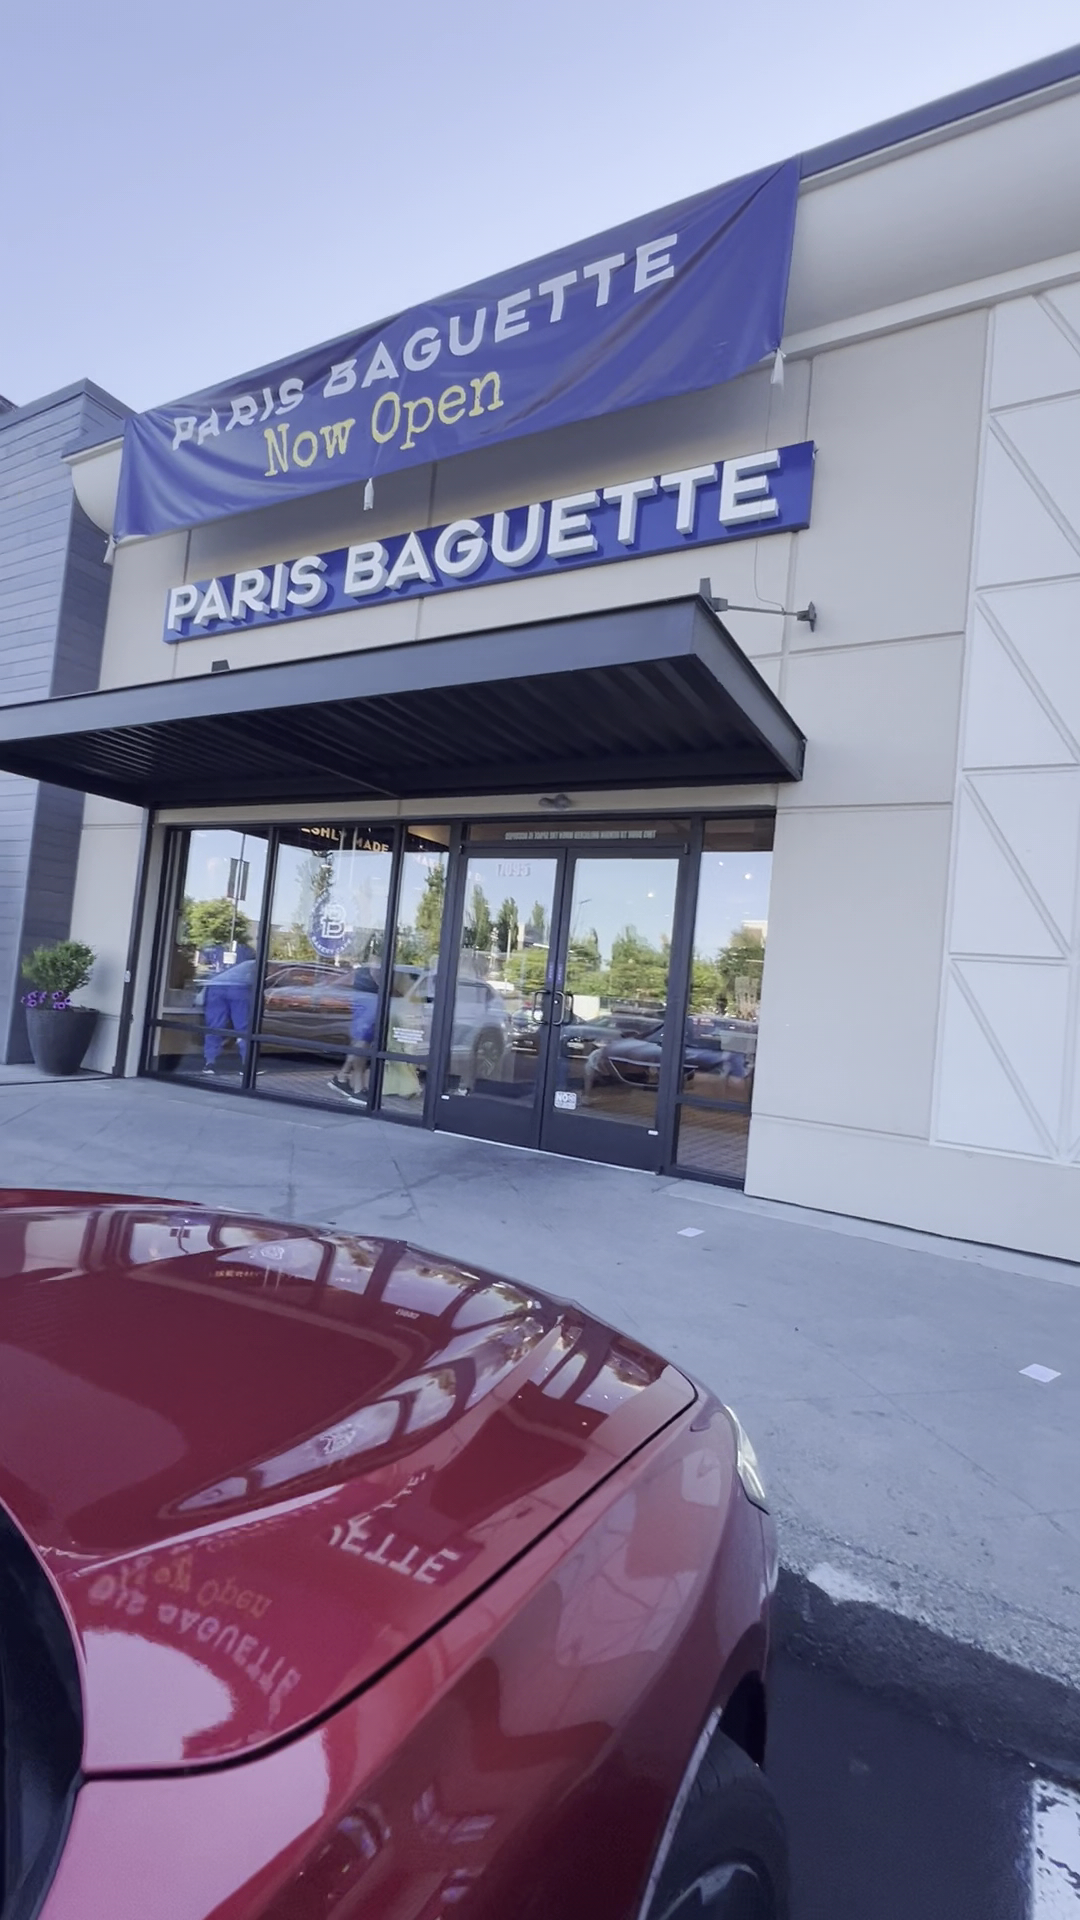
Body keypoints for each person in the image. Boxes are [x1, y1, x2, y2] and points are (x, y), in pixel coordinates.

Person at [328, 964, 380, 1106]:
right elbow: (376, 973)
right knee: (362, 1041)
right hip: (370, 998)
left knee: (361, 1039)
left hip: (364, 996)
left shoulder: (362, 969)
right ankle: (358, 1088)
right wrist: (389, 989)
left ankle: (342, 1077)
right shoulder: (375, 961)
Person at [202, 945, 256, 1073]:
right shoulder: (246, 949)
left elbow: (204, 961)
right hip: (238, 986)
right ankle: (246, 1064)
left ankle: (210, 1062)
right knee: (243, 1027)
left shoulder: (214, 948)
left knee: (214, 1026)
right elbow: (253, 966)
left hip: (217, 986)